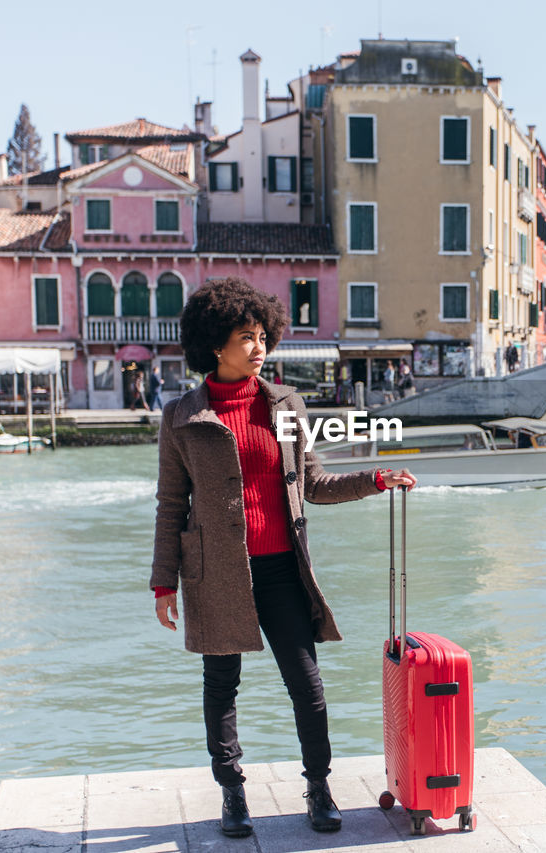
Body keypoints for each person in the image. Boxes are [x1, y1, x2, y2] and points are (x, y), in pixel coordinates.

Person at [150, 277, 415, 840]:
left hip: (280, 569)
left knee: (307, 684)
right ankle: (232, 794)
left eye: (263, 335)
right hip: (215, 574)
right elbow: (171, 504)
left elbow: (313, 483)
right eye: (246, 337)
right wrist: (162, 583)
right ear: (214, 345)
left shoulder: (286, 404)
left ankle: (318, 787)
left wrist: (375, 479)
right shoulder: (180, 417)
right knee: (221, 686)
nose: (259, 346)